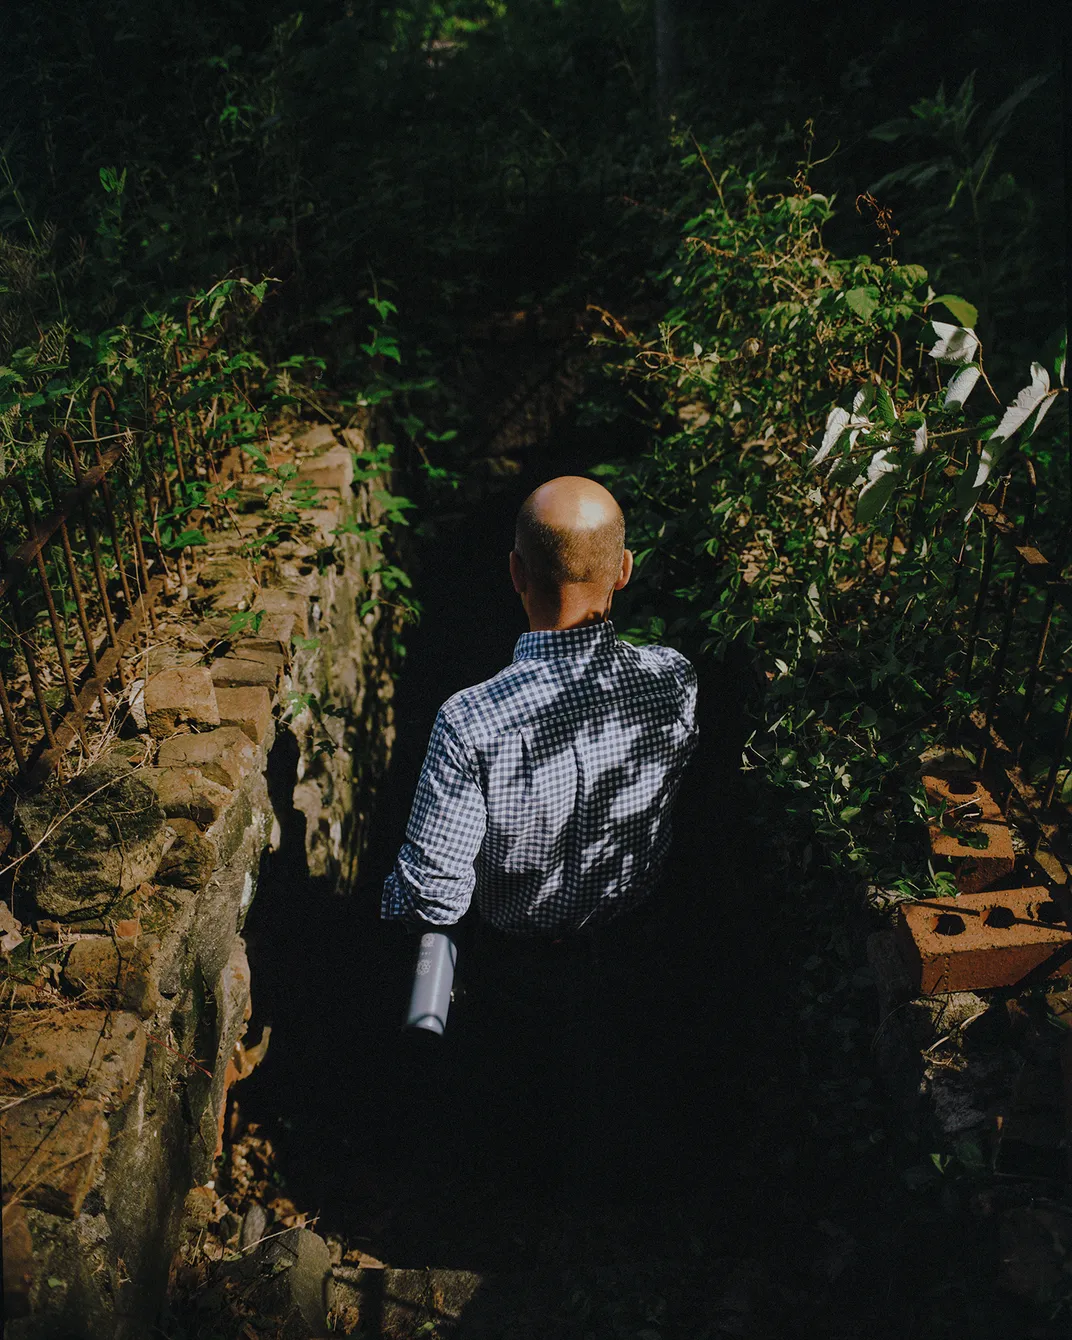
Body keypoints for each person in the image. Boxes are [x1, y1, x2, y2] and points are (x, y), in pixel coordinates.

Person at [381, 474, 698, 1188]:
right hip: (637, 954)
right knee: (615, 1111)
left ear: (516, 572)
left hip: (515, 974)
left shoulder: (470, 721)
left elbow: (434, 897)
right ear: (623, 570)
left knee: (518, 1128)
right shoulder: (674, 681)